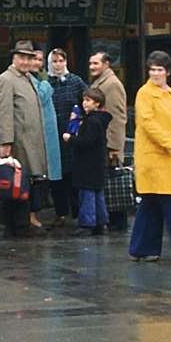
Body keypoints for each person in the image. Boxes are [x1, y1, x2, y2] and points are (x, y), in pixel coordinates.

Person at [128, 51, 171, 262]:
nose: (155, 74)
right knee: (170, 203)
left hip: (169, 156)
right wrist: (170, 143)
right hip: (154, 157)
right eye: (152, 69)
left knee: (150, 205)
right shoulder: (145, 93)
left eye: (159, 70)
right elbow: (147, 123)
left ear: (168, 72)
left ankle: (141, 249)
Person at [0, 40, 50, 238]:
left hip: (30, 141)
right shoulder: (6, 80)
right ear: (14, 58)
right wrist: (6, 143)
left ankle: (16, 224)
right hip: (18, 143)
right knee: (17, 183)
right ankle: (17, 225)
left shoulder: (27, 79)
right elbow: (3, 113)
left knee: (23, 183)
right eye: (22, 57)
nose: (26, 62)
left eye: (29, 58)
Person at [87, 50, 129, 230]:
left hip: (109, 144)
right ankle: (112, 220)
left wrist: (114, 147)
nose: (92, 67)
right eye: (90, 63)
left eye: (96, 63)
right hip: (101, 142)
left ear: (106, 64)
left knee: (113, 182)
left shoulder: (111, 84)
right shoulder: (100, 82)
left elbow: (117, 117)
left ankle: (117, 221)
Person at [46, 49, 85, 227]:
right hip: (53, 137)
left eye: (61, 60)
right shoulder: (45, 84)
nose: (58, 64)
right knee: (57, 178)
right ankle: (60, 213)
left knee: (74, 176)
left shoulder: (75, 81)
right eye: (54, 61)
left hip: (72, 136)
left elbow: (88, 101)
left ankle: (77, 213)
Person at [64, 88, 110, 235]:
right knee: (97, 192)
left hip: (87, 163)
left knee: (87, 193)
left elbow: (86, 141)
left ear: (97, 104)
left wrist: (70, 139)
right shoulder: (100, 120)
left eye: (89, 101)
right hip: (97, 163)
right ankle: (101, 221)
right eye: (84, 100)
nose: (84, 103)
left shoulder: (91, 121)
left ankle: (87, 223)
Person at [30, 50, 65, 227]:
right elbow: (40, 97)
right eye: (35, 59)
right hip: (39, 133)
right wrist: (45, 81)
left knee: (47, 175)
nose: (38, 62)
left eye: (40, 59)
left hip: (49, 132)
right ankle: (33, 214)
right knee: (39, 176)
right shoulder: (36, 80)